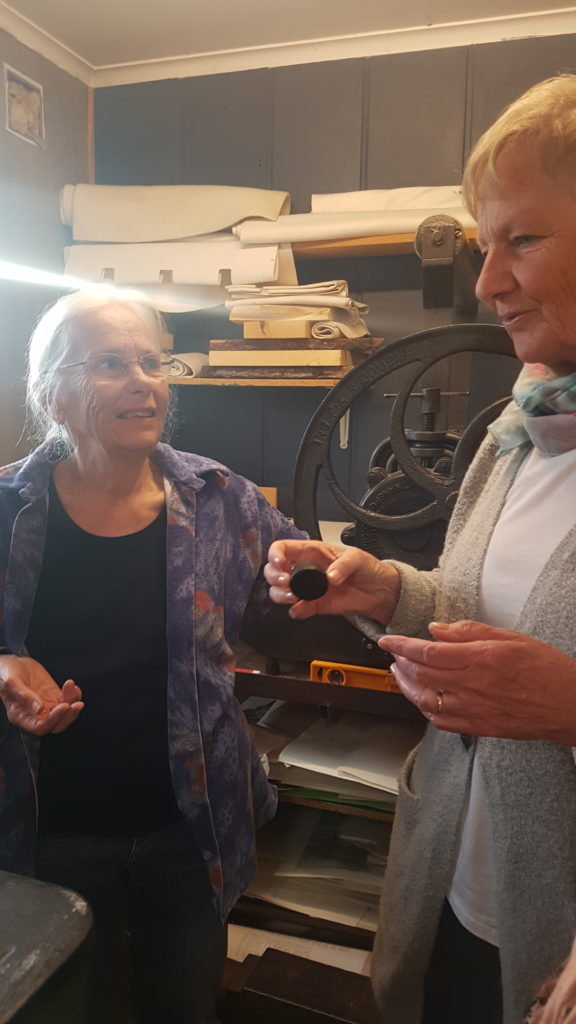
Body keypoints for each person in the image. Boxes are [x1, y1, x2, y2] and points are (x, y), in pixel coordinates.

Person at [265, 74, 576, 1024]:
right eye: (485, 245)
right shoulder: (520, 431)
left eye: (523, 240)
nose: (486, 283)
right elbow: (479, 613)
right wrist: (388, 590)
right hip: (458, 888)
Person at [0, 289, 304, 1024]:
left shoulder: (223, 500)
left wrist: (345, 580)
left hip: (189, 830)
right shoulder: (8, 509)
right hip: (48, 832)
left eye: (151, 361)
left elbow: (300, 588)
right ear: (52, 397)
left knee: (185, 1007)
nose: (143, 382)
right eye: (110, 364)